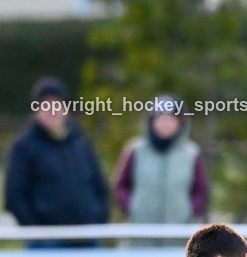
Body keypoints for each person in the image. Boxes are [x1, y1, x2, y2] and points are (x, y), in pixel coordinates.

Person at [4, 77, 108, 247]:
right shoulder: (24, 147)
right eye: (46, 105)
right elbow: (15, 195)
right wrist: (37, 232)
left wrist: (99, 220)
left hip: (88, 239)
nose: (52, 110)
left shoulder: (80, 142)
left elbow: (99, 185)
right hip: (48, 245)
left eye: (57, 104)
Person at [116, 95, 208, 236]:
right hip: (140, 235)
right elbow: (121, 185)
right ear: (152, 121)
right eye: (161, 119)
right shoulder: (135, 150)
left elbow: (200, 190)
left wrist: (189, 210)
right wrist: (133, 207)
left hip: (179, 235)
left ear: (179, 122)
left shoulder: (191, 153)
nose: (166, 124)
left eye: (171, 119)